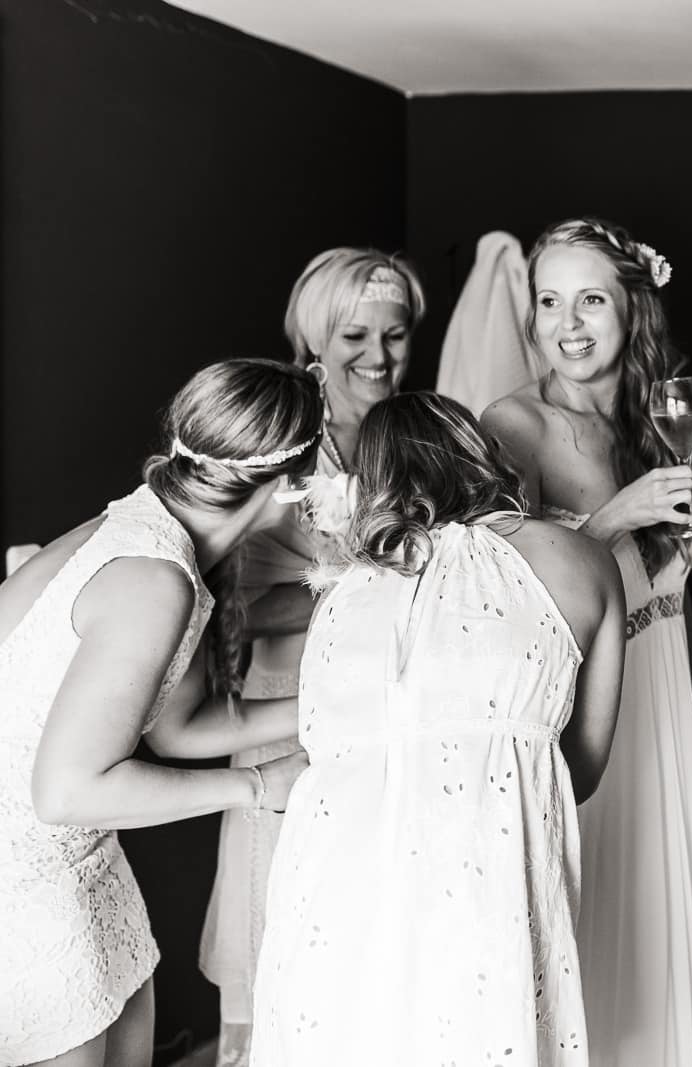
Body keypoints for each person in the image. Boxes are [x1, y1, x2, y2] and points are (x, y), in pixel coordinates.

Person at [250, 391, 626, 1066]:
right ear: (481, 452)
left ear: (373, 481)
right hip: (487, 887)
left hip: (335, 905)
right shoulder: (583, 561)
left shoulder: (344, 597)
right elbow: (583, 769)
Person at [0, 358, 321, 1067]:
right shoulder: (154, 577)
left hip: (86, 864)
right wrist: (257, 786)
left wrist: (328, 708)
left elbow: (178, 729)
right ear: (288, 485)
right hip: (23, 887)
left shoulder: (159, 534)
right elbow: (65, 792)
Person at [480, 217, 692, 1066]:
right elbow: (503, 587)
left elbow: (673, 601)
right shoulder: (516, 423)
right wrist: (617, 515)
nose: (568, 324)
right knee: (602, 930)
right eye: (549, 301)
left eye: (590, 300)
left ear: (633, 309)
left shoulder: (661, 419)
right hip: (589, 708)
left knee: (666, 927)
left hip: (665, 704)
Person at [199, 248, 425, 1064]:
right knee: (290, 929)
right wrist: (355, 581)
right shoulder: (284, 448)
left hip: (387, 715)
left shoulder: (411, 441)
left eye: (395, 334)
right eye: (355, 336)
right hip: (288, 716)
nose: (378, 356)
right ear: (314, 342)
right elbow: (231, 609)